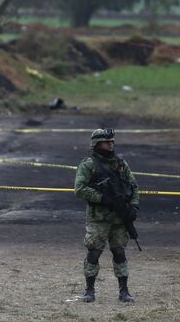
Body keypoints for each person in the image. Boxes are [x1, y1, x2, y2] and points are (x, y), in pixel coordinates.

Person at [74, 128, 139, 303]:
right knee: (94, 253)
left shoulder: (120, 164)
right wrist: (102, 198)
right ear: (97, 144)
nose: (111, 145)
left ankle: (124, 292)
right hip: (98, 218)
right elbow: (79, 189)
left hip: (119, 218)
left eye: (112, 142)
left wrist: (134, 207)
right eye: (106, 142)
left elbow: (133, 186)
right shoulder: (89, 164)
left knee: (119, 252)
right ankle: (89, 291)